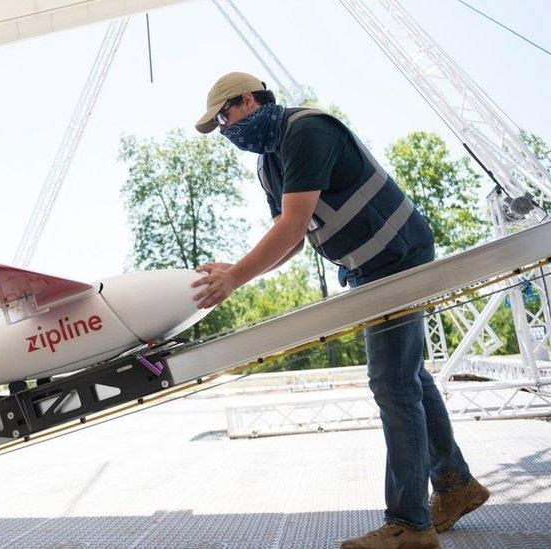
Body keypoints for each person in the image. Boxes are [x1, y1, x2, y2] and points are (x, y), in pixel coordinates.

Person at [191, 72, 490, 549]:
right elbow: (294, 235)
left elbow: (291, 228)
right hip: (372, 268)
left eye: (225, 118)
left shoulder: (306, 131)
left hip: (397, 255)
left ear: (248, 100)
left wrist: (233, 279)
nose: (227, 131)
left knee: (392, 383)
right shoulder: (270, 165)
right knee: (409, 377)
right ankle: (456, 485)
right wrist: (237, 267)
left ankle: (411, 526)